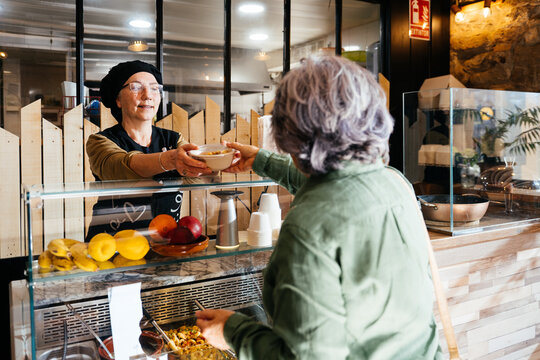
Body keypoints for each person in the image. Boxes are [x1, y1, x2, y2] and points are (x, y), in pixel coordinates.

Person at [196, 56, 442, 359]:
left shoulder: (307, 226)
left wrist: (233, 332)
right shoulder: (395, 183)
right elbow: (333, 181)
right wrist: (260, 159)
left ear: (291, 130)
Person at [85, 60, 212, 239]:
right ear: (118, 100)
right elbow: (122, 168)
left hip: (165, 243)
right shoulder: (100, 141)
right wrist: (170, 160)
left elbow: (196, 181)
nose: (148, 95)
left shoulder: (173, 139)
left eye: (154, 88)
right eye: (136, 87)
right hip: (111, 245)